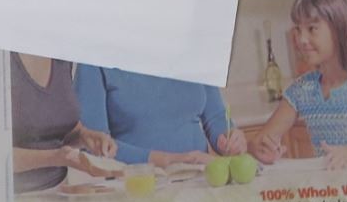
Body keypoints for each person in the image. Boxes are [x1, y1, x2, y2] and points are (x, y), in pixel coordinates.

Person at [248, 0, 347, 170]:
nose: (301, 39)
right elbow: (257, 143)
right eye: (298, 29)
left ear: (339, 29)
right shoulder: (302, 89)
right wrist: (263, 150)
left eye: (312, 28)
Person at [75, 67, 247, 169]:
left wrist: (229, 138)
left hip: (201, 182)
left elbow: (216, 118)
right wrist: (168, 161)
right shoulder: (95, 58)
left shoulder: (193, 47)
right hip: (134, 188)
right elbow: (93, 145)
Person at [9, 53, 117, 193]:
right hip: (9, 197)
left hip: (57, 191)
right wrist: (54, 157)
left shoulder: (61, 59)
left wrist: (84, 136)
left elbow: (59, 126)